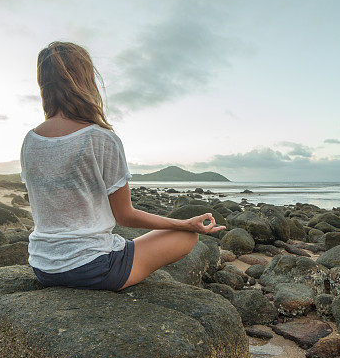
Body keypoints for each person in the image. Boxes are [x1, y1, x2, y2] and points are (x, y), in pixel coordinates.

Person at [20, 41, 225, 292]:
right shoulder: (101, 138)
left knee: (126, 243)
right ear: (86, 81)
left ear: (44, 84)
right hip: (93, 269)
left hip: (43, 267)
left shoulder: (30, 141)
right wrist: (185, 224)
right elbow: (125, 216)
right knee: (186, 237)